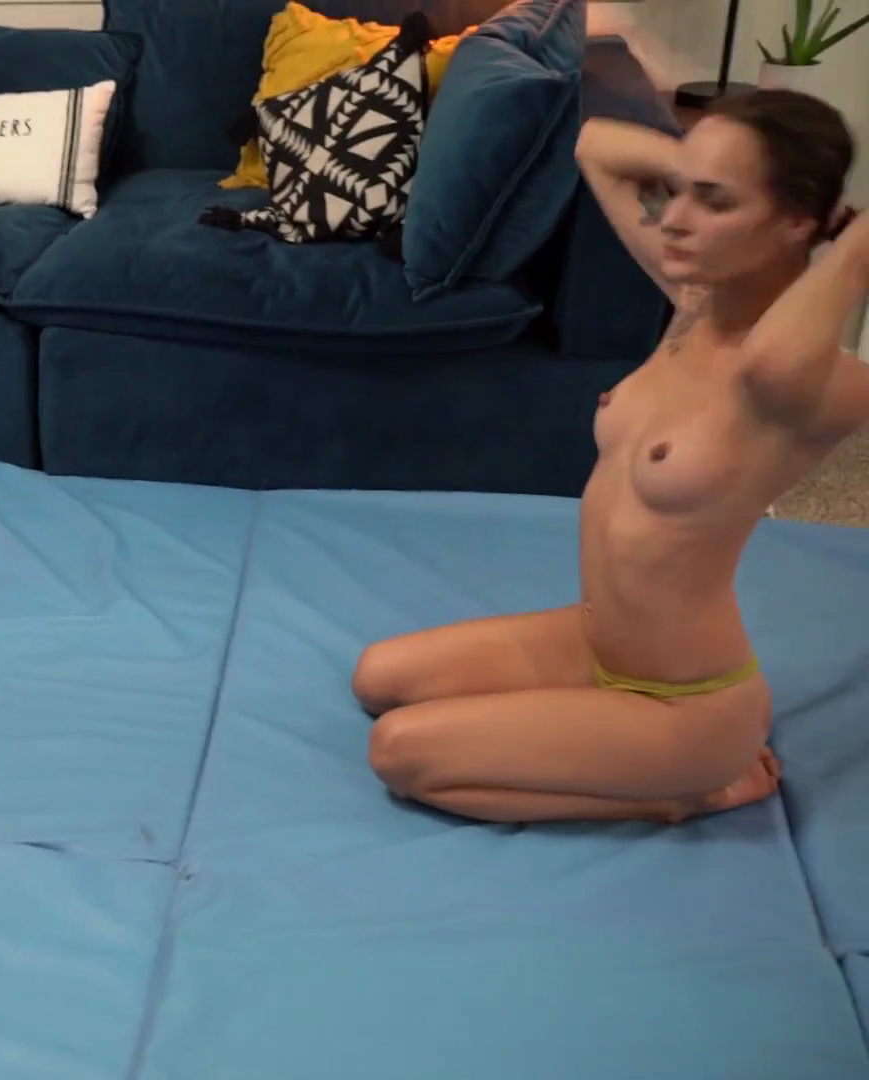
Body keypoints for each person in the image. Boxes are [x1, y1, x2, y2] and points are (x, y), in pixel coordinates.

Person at [351, 88, 868, 825]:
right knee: (378, 678)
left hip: (685, 704)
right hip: (595, 640)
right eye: (677, 192)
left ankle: (686, 794)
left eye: (716, 203)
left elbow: (775, 361)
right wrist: (710, 164)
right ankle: (622, 748)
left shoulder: (809, 386)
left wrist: (854, 245)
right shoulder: (694, 308)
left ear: (797, 223)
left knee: (400, 753)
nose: (676, 220)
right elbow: (596, 144)